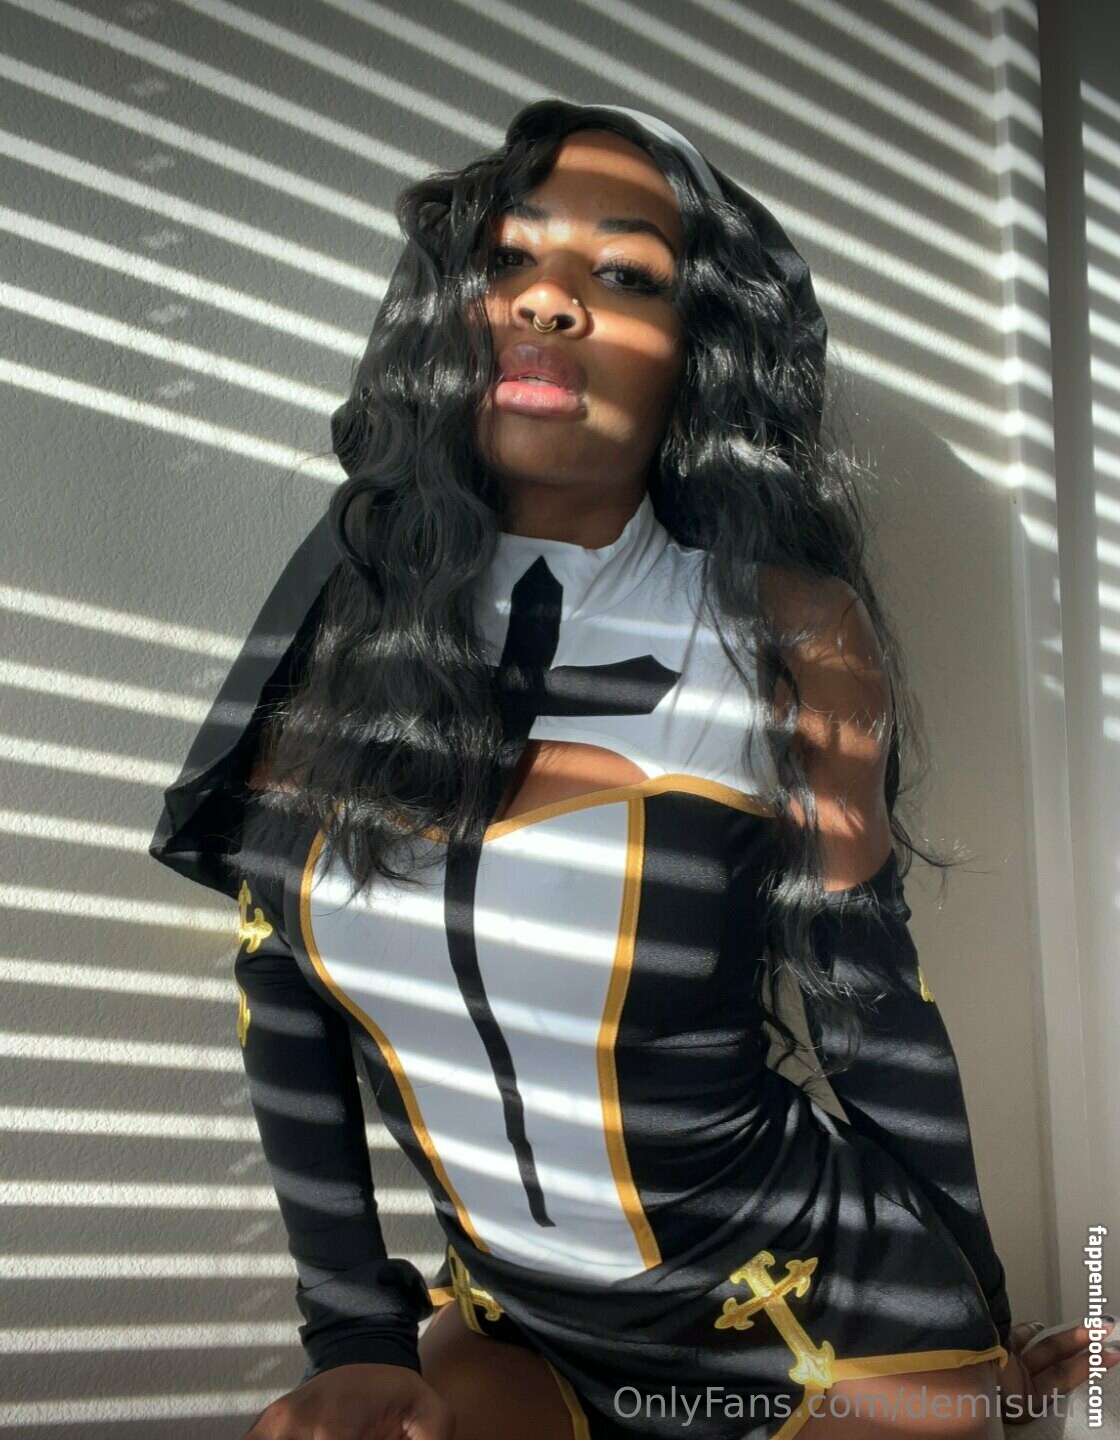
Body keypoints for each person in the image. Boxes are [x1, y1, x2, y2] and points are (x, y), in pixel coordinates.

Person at [149, 100, 1116, 1439]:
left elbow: (868, 1007)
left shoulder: (791, 633)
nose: (547, 301)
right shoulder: (343, 619)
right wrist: (352, 1336)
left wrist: (980, 1323)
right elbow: (281, 989)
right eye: (507, 259)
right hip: (521, 1329)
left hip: (816, 1318)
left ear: (699, 352)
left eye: (625, 274)